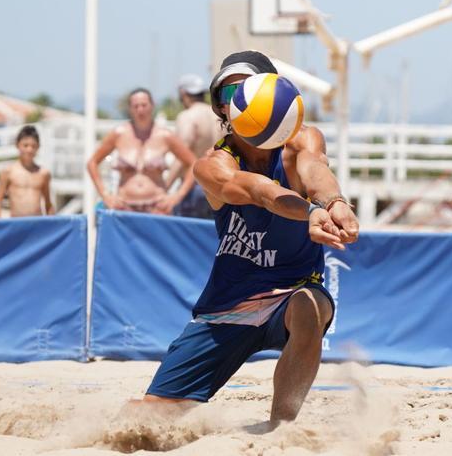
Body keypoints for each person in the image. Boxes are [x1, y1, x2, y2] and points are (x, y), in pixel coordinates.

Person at [138, 51, 360, 427]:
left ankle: (280, 430)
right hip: (229, 303)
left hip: (292, 290)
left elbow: (315, 170)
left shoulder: (301, 142)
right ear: (220, 110)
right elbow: (261, 192)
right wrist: (309, 212)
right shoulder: (213, 164)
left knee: (308, 307)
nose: (237, 102)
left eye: (244, 90)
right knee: (148, 420)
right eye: (227, 96)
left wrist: (334, 202)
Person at [87, 88, 196, 214]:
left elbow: (193, 163)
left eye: (144, 105)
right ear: (130, 108)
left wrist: (177, 197)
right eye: (136, 106)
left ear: (152, 105)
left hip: (157, 207)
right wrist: (106, 196)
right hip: (124, 206)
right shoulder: (119, 134)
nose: (140, 110)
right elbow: (92, 163)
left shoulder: (165, 136)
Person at [166, 74, 224, 219]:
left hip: (194, 187)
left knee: (186, 238)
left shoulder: (187, 117)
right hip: (219, 187)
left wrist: (164, 187)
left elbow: (182, 156)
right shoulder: (219, 116)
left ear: (183, 94)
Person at [0, 125, 55, 218]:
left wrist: (52, 227)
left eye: (33, 146)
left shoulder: (44, 173)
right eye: (25, 145)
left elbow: (48, 203)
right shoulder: (8, 172)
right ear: (17, 145)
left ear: (38, 147)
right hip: (16, 224)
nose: (29, 149)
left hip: (37, 224)